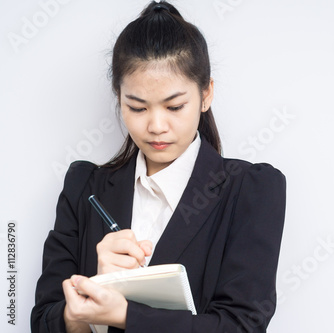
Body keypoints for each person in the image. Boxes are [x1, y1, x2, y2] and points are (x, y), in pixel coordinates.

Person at [30, 1, 286, 332]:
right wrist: (84, 305)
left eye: (175, 106)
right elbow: (42, 322)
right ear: (119, 97)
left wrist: (123, 314)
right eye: (137, 108)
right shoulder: (84, 187)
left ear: (206, 94)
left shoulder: (252, 189)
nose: (156, 126)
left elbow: (242, 326)